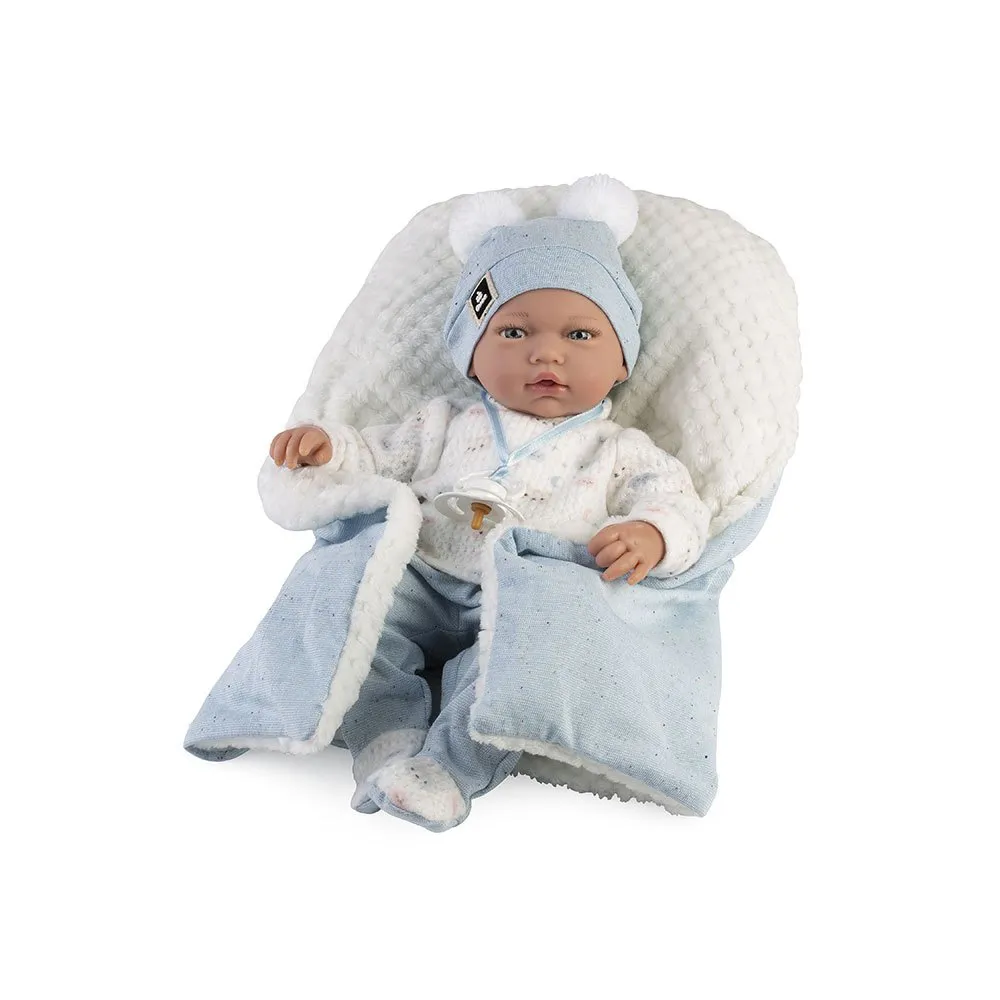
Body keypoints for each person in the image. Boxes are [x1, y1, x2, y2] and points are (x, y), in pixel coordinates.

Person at [268, 175, 710, 831]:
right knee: (359, 624)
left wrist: (653, 533)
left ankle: (446, 770)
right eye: (514, 331)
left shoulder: (617, 450)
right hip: (423, 573)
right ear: (472, 357)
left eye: (581, 335)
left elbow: (678, 502)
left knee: (516, 672)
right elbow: (381, 454)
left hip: (526, 596)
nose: (546, 352)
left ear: (622, 361)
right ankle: (386, 740)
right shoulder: (443, 422)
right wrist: (329, 447)